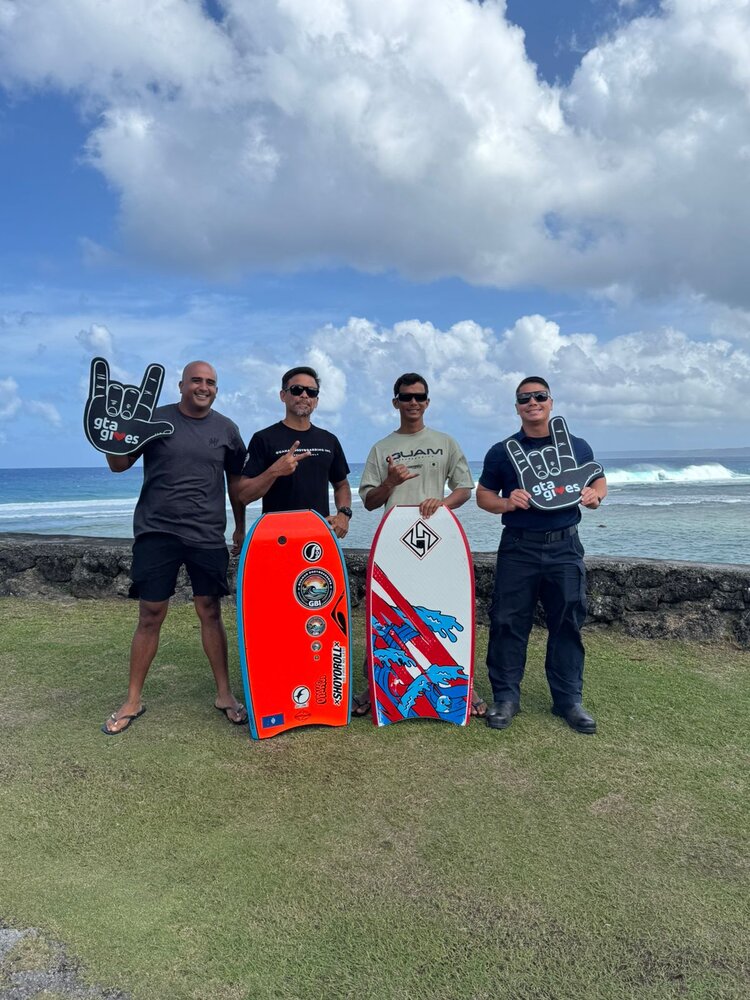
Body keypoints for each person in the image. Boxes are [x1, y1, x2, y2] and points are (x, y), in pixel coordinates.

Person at [101, 361, 248, 734]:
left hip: (206, 534)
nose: (204, 387)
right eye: (196, 380)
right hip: (157, 532)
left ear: (217, 389)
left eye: (211, 382)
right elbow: (119, 465)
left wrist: (241, 528)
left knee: (210, 611)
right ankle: (133, 699)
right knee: (150, 614)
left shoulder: (227, 430)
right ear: (182, 385)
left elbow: (237, 486)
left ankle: (224, 694)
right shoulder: (154, 420)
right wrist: (113, 435)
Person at [476, 377, 607, 734]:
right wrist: (506, 502)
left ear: (550, 401)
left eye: (539, 396)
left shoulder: (576, 445)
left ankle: (568, 701)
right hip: (519, 545)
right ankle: (505, 697)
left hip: (565, 545)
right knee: (507, 622)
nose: (532, 402)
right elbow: (483, 495)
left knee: (567, 622)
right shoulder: (502, 451)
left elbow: (598, 478)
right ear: (516, 406)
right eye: (524, 398)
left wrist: (596, 496)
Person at [354, 372, 482, 717]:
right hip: (394, 542)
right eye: (406, 397)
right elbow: (368, 501)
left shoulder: (445, 442)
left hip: (437, 540)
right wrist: (390, 482)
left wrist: (443, 503)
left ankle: (463, 683)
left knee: (442, 607)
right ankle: (375, 686)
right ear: (395, 402)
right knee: (386, 612)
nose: (413, 403)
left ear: (427, 401)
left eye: (419, 397)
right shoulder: (382, 448)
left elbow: (463, 488)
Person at [236, 366, 352, 538]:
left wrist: (343, 514)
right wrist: (275, 471)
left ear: (316, 400)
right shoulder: (263, 438)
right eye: (297, 390)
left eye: (311, 392)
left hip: (318, 537)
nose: (304, 395)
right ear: (283, 395)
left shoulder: (329, 440)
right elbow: (243, 495)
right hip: (276, 537)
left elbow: (341, 485)